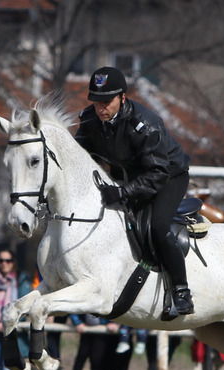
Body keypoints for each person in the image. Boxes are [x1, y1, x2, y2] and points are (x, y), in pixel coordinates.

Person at [75, 66, 194, 318]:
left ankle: (182, 292)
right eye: (96, 102)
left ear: (123, 98)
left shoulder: (146, 125)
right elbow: (79, 158)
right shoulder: (90, 120)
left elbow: (156, 174)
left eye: (106, 102)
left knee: (158, 227)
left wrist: (122, 193)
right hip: (130, 178)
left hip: (168, 176)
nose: (100, 108)